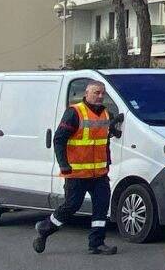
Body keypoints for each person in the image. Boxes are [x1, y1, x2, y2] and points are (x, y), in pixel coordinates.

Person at [34, 81, 118, 256]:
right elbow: (59, 139)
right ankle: (45, 229)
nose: (100, 96)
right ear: (87, 93)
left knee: (101, 206)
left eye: (103, 93)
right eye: (96, 92)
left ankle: (97, 243)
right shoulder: (75, 112)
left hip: (99, 174)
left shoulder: (105, 114)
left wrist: (108, 162)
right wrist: (63, 164)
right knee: (71, 206)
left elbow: (104, 142)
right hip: (76, 173)